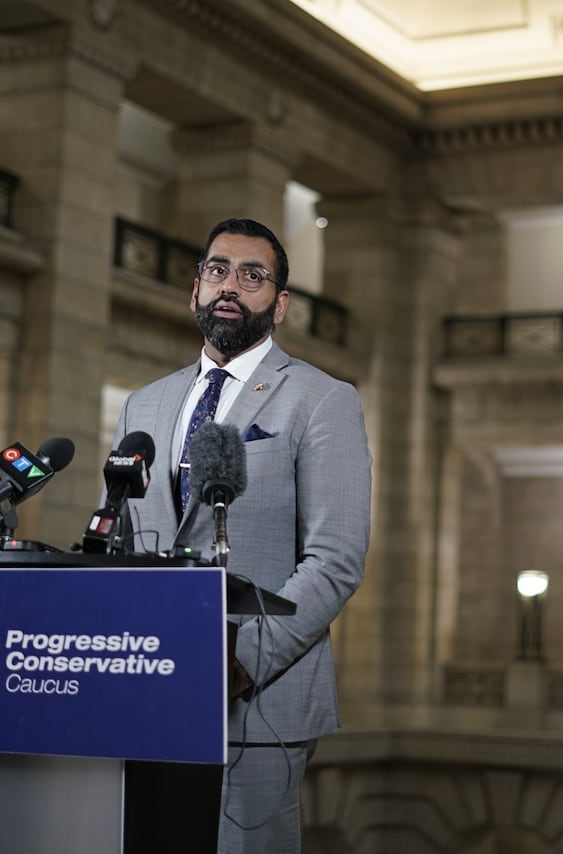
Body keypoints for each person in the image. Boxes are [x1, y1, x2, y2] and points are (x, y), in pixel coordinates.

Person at [109, 217, 371, 853]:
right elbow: (119, 539)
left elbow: (335, 561)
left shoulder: (321, 399)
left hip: (256, 705)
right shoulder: (143, 404)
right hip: (144, 694)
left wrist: (238, 665)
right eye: (217, 270)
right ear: (194, 289)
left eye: (253, 276)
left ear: (279, 303)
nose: (231, 285)